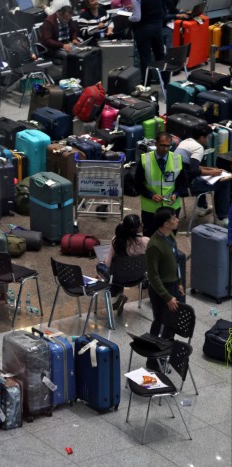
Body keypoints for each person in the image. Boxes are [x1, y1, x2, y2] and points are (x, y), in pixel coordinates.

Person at [145, 206, 185, 369]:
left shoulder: (170, 237)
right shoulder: (154, 245)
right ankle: (152, 357)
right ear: (166, 223)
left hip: (174, 285)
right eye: (174, 218)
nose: (177, 220)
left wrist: (180, 282)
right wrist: (167, 297)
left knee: (172, 323)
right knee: (160, 322)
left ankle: (165, 352)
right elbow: (153, 276)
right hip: (162, 290)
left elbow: (175, 262)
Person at [175, 125, 230, 227]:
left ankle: (202, 207)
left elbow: (191, 166)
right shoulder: (198, 147)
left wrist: (211, 169)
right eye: (208, 137)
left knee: (203, 177)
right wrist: (213, 173)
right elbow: (194, 170)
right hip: (186, 187)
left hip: (178, 183)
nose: (209, 139)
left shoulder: (185, 142)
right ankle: (221, 218)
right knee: (224, 182)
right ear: (202, 138)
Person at [135, 132, 187, 238]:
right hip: (150, 209)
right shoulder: (145, 160)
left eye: (168, 146)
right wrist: (150, 195)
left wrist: (176, 194)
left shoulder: (177, 159)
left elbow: (183, 183)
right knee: (150, 238)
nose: (165, 149)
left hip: (171, 207)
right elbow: (137, 184)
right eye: (162, 145)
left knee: (170, 238)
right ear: (156, 143)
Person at [96, 214, 150, 314]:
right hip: (138, 277)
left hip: (118, 277)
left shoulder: (117, 241)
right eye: (140, 224)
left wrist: (102, 263)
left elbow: (107, 264)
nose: (143, 225)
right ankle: (118, 298)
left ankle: (117, 297)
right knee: (120, 270)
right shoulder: (146, 241)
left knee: (102, 266)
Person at [129, 0, 166, 83]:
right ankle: (166, 81)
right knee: (160, 55)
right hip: (158, 28)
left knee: (145, 58)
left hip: (143, 30)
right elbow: (164, 13)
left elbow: (136, 18)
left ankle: (146, 84)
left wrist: (128, 18)